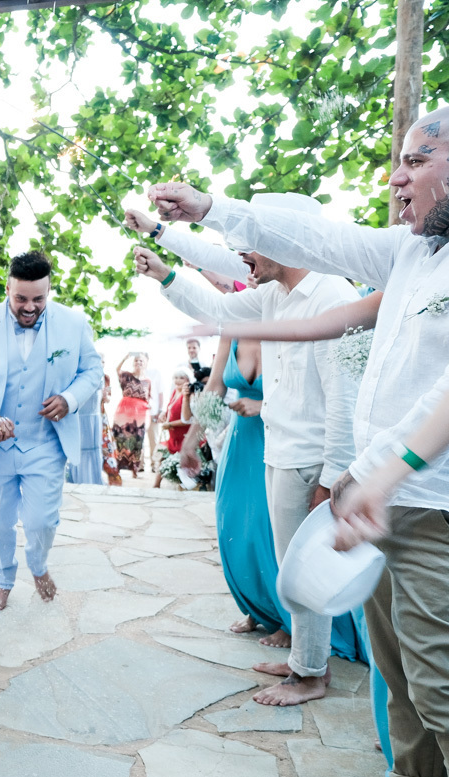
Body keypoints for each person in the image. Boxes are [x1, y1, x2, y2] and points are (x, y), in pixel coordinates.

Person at [133, 207, 363, 708]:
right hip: (278, 451)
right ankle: (306, 657)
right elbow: (214, 303)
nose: (241, 258)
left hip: (311, 460)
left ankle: (310, 674)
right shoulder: (273, 294)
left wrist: (330, 481)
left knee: (306, 570)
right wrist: (166, 268)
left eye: (251, 245)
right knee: (289, 567)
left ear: (283, 241)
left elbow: (344, 402)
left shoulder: (333, 296)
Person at [0, 251, 103, 611]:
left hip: (46, 442)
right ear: (7, 287)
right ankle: (3, 580)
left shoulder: (74, 324)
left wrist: (70, 399)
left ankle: (38, 565)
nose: (29, 307)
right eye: (21, 298)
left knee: (42, 520)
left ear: (49, 291)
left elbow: (92, 371)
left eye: (39, 299)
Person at [181, 337, 292, 646]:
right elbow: (214, 389)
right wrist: (191, 440)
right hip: (240, 443)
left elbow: (306, 389)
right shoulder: (232, 326)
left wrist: (264, 405)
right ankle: (257, 608)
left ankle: (284, 617)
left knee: (267, 528)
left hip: (277, 438)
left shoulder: (287, 319)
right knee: (235, 526)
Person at [112, 352, 151, 479]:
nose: (138, 363)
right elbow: (117, 370)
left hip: (139, 415)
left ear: (145, 364)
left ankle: (135, 469)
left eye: (141, 361)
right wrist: (125, 357)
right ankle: (117, 468)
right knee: (121, 440)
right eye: (136, 361)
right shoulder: (127, 376)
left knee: (137, 442)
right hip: (124, 412)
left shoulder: (147, 381)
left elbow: (147, 399)